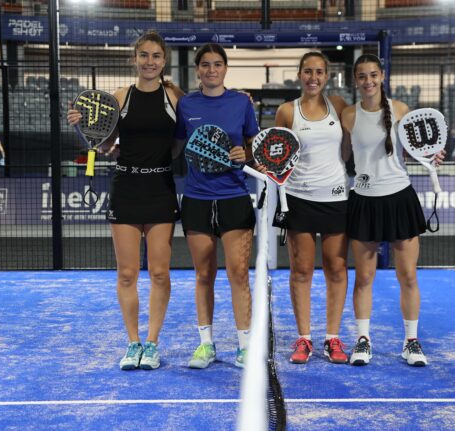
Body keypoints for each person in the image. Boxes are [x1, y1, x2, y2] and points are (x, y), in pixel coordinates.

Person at [67, 31, 183, 371]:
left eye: (156, 56)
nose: (150, 61)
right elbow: (104, 144)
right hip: (127, 189)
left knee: (159, 273)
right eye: (144, 55)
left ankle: (153, 343)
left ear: (164, 60)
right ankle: (133, 344)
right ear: (135, 59)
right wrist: (81, 126)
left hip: (160, 189)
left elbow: (181, 140)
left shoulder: (175, 97)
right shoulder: (121, 96)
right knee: (128, 273)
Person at [341, 54, 444, 367]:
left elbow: (415, 151)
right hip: (364, 200)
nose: (368, 81)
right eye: (362, 76)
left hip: (400, 199)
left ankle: (411, 341)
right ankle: (363, 340)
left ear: (382, 76)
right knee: (364, 277)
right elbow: (342, 157)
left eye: (373, 75)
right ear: (355, 80)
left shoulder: (400, 109)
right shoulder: (348, 115)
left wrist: (433, 157)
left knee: (408, 275)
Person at [173, 43, 259, 369]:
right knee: (203, 275)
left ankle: (245, 347)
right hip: (196, 200)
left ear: (225, 68)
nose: (212, 70)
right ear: (197, 69)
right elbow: (176, 145)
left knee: (238, 273)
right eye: (206, 64)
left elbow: (253, 146)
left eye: (217, 64)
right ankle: (206, 345)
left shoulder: (241, 102)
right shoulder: (186, 104)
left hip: (234, 198)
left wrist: (245, 154)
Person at [274, 52, 351, 365]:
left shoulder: (340, 106)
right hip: (299, 199)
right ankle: (304, 338)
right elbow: (277, 155)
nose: (313, 77)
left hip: (336, 197)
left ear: (327, 76)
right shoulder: (286, 111)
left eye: (319, 72)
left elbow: (351, 147)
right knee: (302, 270)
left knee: (336, 268)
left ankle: (332, 338)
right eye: (308, 71)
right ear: (299, 74)